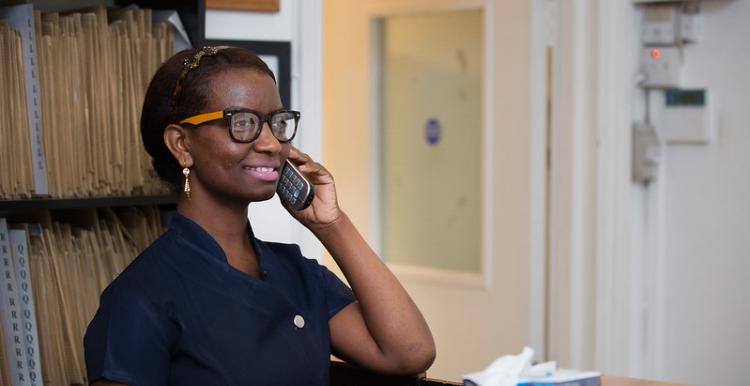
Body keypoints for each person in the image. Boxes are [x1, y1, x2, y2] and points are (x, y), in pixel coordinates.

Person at [83, 46, 435, 386]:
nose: (270, 143)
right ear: (182, 145)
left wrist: (332, 225)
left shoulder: (296, 272)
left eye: (276, 122)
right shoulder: (142, 295)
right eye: (243, 122)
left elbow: (409, 352)